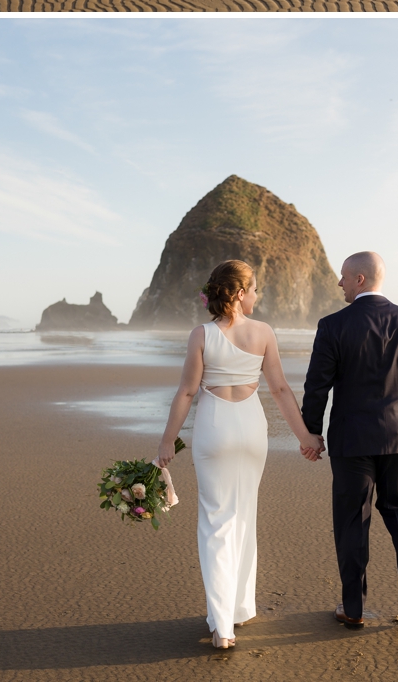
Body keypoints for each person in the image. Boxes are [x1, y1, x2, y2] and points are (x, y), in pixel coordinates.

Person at [155, 260, 324, 650]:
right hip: (251, 430)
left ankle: (222, 627)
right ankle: (240, 609)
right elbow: (280, 390)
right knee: (244, 514)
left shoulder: (201, 335)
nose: (257, 296)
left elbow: (186, 392)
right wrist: (305, 438)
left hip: (215, 428)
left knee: (216, 522)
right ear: (241, 293)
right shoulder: (263, 332)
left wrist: (167, 442)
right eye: (255, 289)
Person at [302, 251, 398, 631]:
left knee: (352, 521)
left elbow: (317, 385)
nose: (339, 283)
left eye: (344, 276)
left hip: (353, 440)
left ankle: (354, 607)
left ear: (360, 279)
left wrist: (311, 432)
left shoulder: (333, 325)